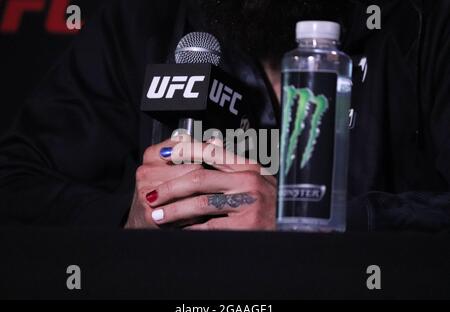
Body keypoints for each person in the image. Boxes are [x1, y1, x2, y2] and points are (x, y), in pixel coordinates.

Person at [0, 0, 449, 232]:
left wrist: (312, 221)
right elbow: (16, 179)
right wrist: (130, 217)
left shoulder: (417, 22)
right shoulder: (148, 18)